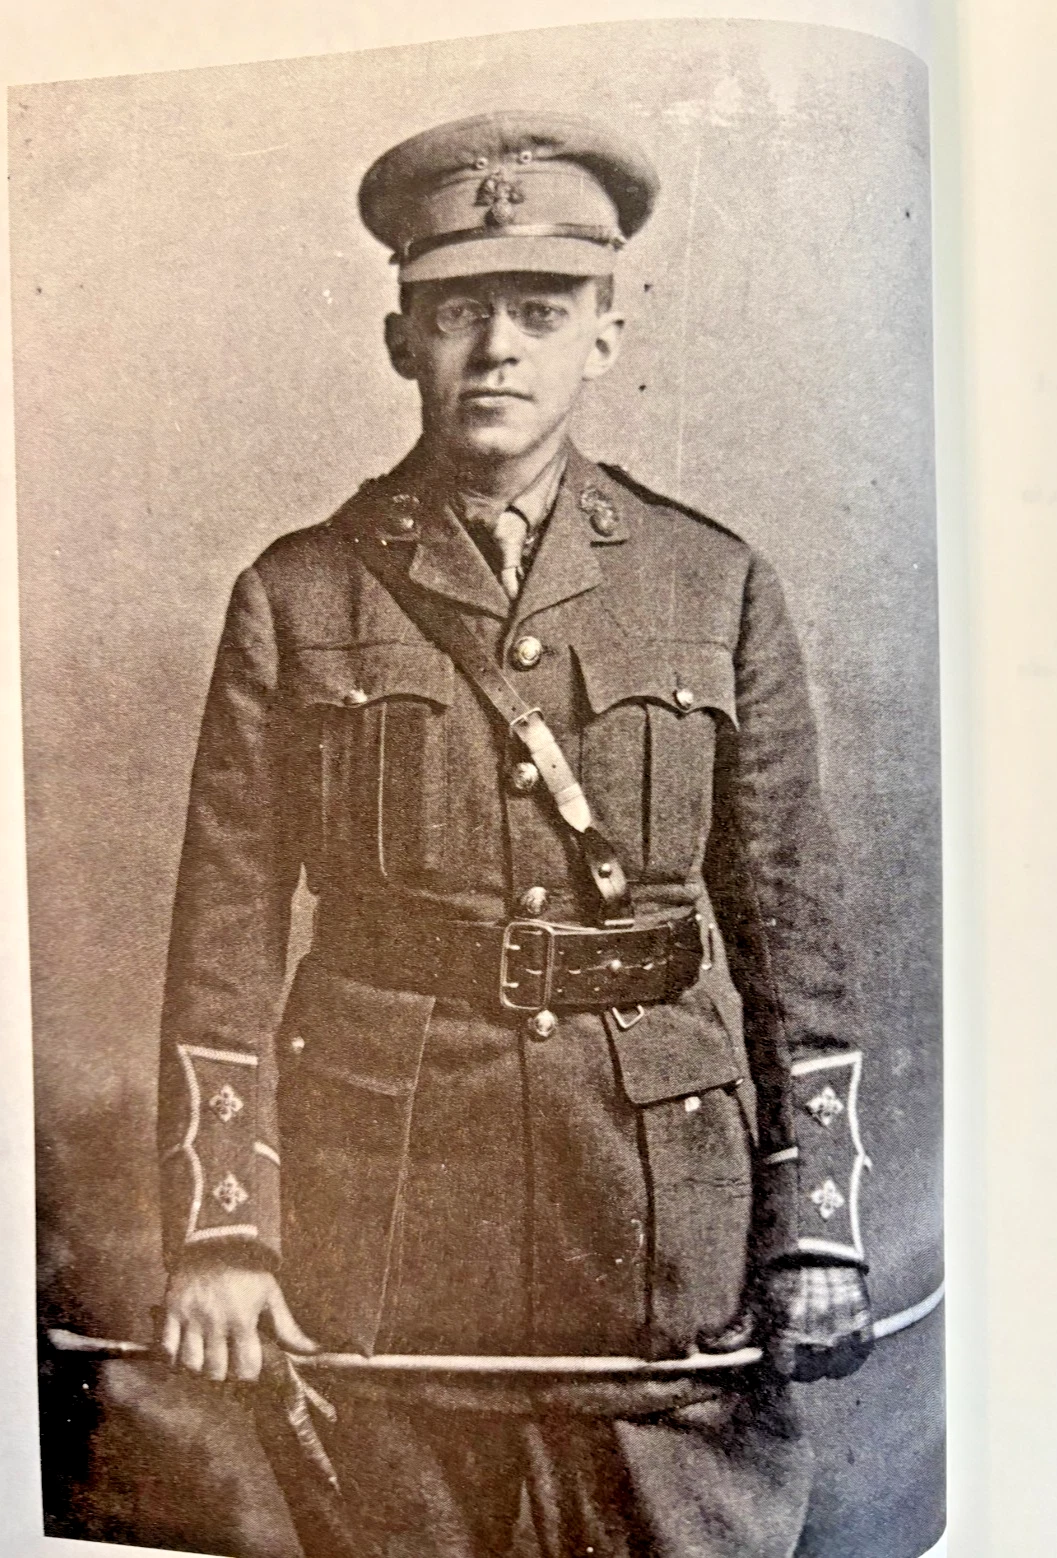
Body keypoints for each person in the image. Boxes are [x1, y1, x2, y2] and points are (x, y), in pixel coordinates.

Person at [157, 111, 875, 1558]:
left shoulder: (714, 583)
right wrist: (224, 1228)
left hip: (658, 1226)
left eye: (540, 313)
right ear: (399, 340)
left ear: (605, 334)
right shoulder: (299, 596)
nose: (496, 350)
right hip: (390, 1228)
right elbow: (223, 933)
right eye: (457, 314)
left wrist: (819, 1225)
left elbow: (791, 925)